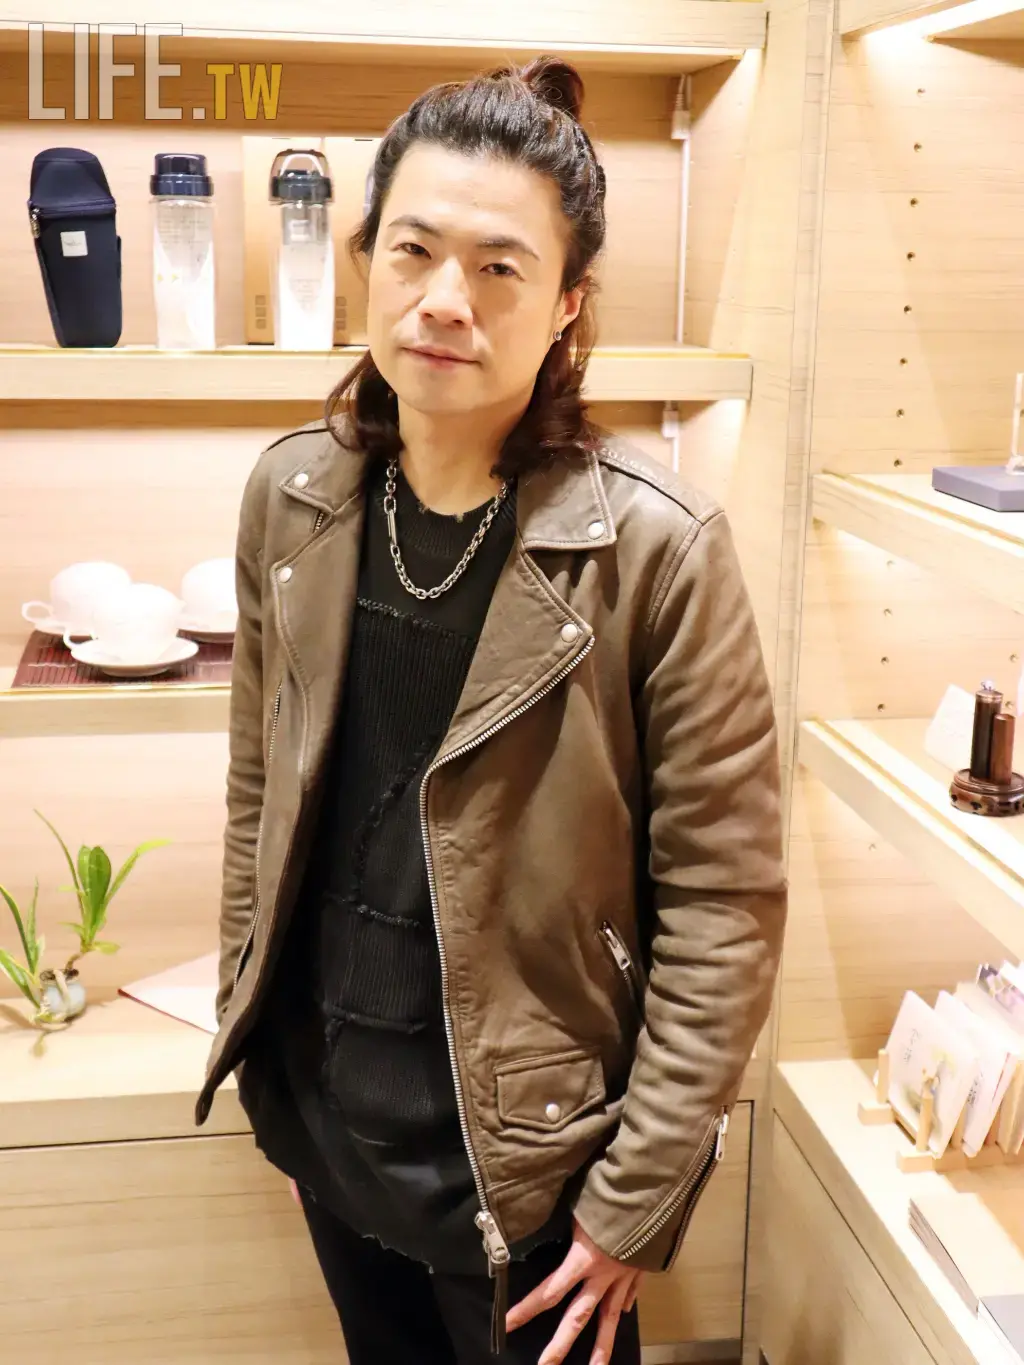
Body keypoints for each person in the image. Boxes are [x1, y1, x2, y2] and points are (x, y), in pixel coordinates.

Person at [194, 54, 788, 1365]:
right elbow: (257, 790)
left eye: (500, 268)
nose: (445, 300)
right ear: (367, 259)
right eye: (413, 250)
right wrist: (273, 1069)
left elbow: (725, 904)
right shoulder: (291, 497)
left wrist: (636, 1201)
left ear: (569, 302)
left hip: (536, 1172)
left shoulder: (657, 549)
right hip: (331, 1120)